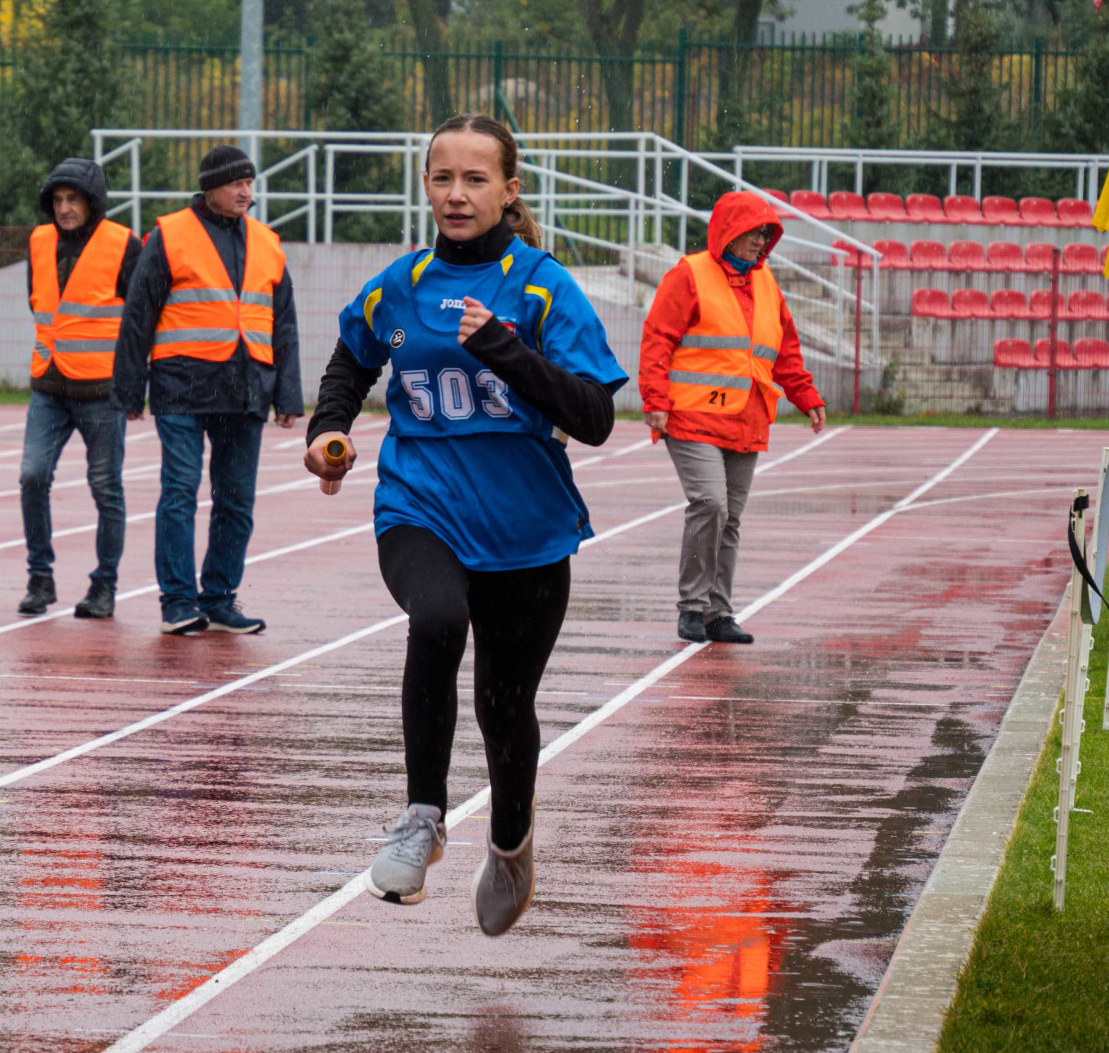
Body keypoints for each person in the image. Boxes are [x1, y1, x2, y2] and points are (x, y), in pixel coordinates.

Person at [305, 114, 627, 937]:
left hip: (526, 531)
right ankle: (421, 817)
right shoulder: (398, 284)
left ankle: (512, 843)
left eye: (475, 179)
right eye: (442, 178)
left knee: (503, 704)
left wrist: (510, 354)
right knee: (437, 619)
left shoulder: (543, 287)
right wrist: (328, 432)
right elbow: (351, 358)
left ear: (509, 191)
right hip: (419, 504)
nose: (456, 194)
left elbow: (594, 418)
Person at [112, 144, 303, 636]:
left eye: (249, 182)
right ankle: (178, 601)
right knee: (179, 492)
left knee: (236, 499)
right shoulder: (170, 235)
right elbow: (138, 314)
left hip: (247, 389)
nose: (245, 191)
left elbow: (283, 324)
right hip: (182, 388)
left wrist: (289, 394)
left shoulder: (268, 240)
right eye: (236, 183)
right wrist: (130, 390)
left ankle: (219, 598)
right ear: (210, 188)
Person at [638, 191, 827, 646]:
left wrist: (806, 395)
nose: (761, 242)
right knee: (711, 505)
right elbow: (658, 338)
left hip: (746, 418)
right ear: (729, 233)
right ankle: (692, 607)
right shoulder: (691, 274)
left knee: (731, 518)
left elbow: (785, 351)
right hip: (691, 417)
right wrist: (655, 400)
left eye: (767, 234)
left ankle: (718, 613)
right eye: (754, 233)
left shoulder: (768, 285)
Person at [17, 158, 142, 619]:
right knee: (32, 475)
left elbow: (140, 319)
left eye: (73, 199)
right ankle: (40, 577)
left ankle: (103, 585)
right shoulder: (38, 240)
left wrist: (133, 384)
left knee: (106, 488)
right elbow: (39, 301)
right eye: (58, 200)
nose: (64, 208)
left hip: (102, 390)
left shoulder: (123, 244)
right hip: (48, 385)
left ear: (92, 202)